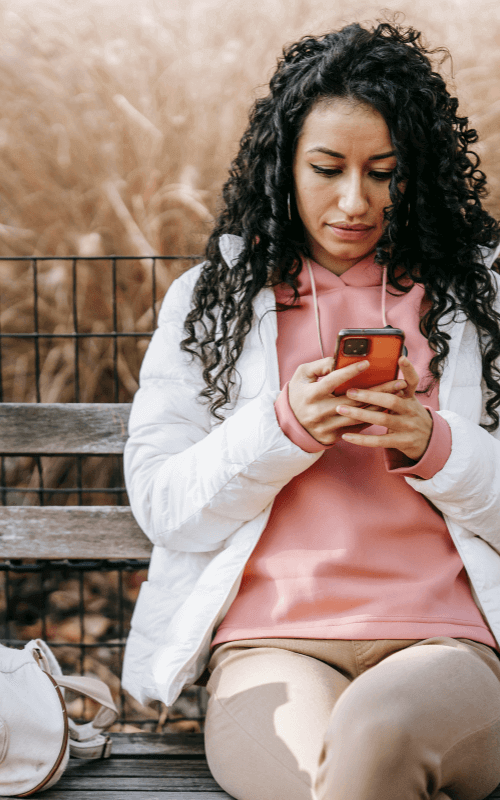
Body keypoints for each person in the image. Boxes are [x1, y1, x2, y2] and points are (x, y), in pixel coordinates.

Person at [122, 19, 500, 800]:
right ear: (284, 166)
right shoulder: (213, 302)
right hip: (269, 648)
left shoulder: (481, 298)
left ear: (419, 173)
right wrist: (282, 429)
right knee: (338, 772)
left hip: (449, 644)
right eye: (326, 169)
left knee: (377, 734)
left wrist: (437, 446)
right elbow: (165, 505)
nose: (354, 202)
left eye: (385, 172)